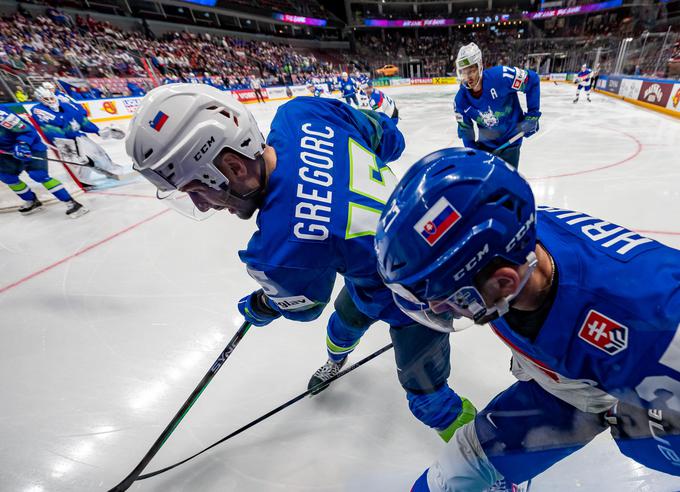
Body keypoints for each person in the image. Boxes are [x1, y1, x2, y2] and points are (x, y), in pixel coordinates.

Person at [126, 84, 475, 441]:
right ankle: (336, 361)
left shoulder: (279, 248)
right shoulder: (304, 113)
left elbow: (304, 308)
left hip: (421, 300)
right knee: (342, 327)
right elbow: (390, 140)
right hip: (384, 272)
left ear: (232, 165)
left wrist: (262, 305)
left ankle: (486, 459)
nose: (202, 205)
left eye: (196, 189)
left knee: (428, 400)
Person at [374, 148, 680, 491]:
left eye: (450, 300)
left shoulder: (657, 323)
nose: (441, 310)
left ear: (504, 281)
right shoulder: (511, 239)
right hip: (570, 378)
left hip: (587, 385)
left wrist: (644, 431)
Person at [453, 43, 541, 169]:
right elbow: (466, 131)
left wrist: (532, 115)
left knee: (506, 184)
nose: (468, 78)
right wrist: (473, 153)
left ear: (480, 66)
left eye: (471, 71)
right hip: (485, 146)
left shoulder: (502, 77)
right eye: (463, 73)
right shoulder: (460, 100)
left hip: (511, 141)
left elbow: (532, 80)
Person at [0, 108, 86, 217]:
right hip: (5, 153)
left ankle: (71, 202)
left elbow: (28, 131)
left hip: (30, 146)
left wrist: (23, 144)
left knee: (38, 175)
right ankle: (32, 201)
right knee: (7, 177)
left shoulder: (2, 115)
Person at [31, 87, 125, 185]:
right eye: (46, 99)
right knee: (79, 161)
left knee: (98, 152)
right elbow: (52, 128)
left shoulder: (66, 106)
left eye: (52, 98)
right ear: (40, 99)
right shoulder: (38, 110)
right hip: (63, 140)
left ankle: (111, 170)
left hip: (77, 135)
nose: (50, 101)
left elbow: (82, 121)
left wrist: (97, 130)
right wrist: (65, 143)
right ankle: (82, 180)